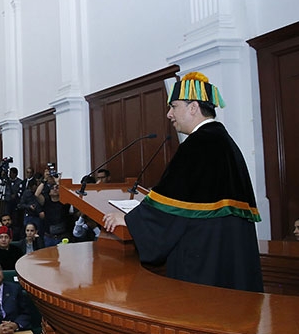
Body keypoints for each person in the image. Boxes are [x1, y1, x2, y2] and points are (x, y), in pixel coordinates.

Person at [103, 72, 263, 292]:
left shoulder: (198, 145)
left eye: (174, 106)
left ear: (193, 107)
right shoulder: (223, 141)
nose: (169, 114)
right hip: (225, 254)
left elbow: (170, 209)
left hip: (203, 260)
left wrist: (129, 220)